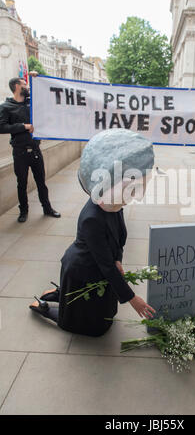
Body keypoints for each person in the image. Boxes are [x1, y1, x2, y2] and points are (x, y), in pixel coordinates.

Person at [29, 129, 156, 337]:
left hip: (98, 267)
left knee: (102, 316)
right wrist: (133, 299)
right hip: (83, 269)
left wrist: (118, 259)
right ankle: (45, 307)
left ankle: (59, 293)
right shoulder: (92, 219)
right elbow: (105, 265)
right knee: (87, 324)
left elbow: (119, 237)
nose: (131, 197)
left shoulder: (113, 204)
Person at [0, 75, 61, 223]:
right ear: (16, 87)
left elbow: (45, 97)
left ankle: (47, 208)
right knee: (22, 183)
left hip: (35, 150)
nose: (27, 87)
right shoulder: (6, 107)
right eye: (24, 84)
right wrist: (24, 126)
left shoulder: (32, 103)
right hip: (20, 152)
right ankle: (24, 211)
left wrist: (36, 79)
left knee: (41, 182)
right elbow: (1, 127)